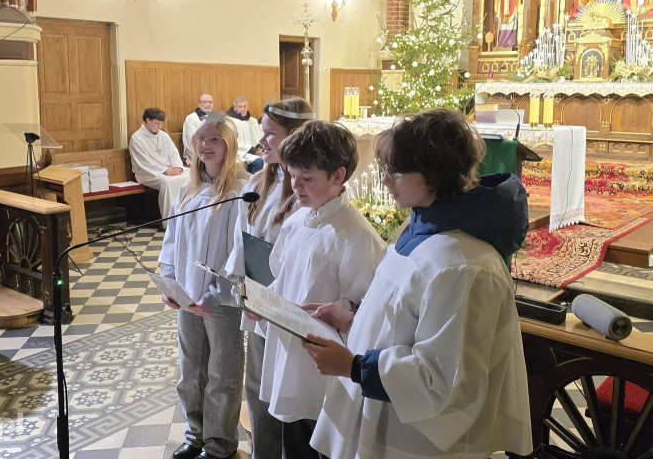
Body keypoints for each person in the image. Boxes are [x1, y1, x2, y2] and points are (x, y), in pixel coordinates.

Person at [302, 109, 533, 459]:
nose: (384, 182)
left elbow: (447, 378)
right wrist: (353, 322)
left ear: (434, 171)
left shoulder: (463, 263)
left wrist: (353, 367)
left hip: (415, 441)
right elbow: (408, 321)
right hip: (381, 414)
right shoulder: (421, 230)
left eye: (394, 171)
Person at [260, 120, 386, 459]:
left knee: (323, 441)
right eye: (291, 175)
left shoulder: (355, 234)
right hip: (291, 350)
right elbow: (281, 275)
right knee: (295, 438)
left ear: (337, 175)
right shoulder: (297, 219)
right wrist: (261, 303)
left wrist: (342, 309)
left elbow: (367, 306)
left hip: (326, 364)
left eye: (307, 177)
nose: (296, 186)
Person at [222, 97, 315, 459]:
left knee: (292, 398)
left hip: (291, 311)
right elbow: (241, 238)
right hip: (259, 305)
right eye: (262, 133)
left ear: (295, 137)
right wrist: (242, 284)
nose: (264, 142)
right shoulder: (261, 178)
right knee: (259, 392)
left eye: (271, 135)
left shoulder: (308, 191)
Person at [159, 112, 249, 459]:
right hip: (187, 297)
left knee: (222, 373)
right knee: (190, 371)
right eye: (201, 140)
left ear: (229, 144)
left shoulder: (241, 191)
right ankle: (194, 435)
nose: (206, 146)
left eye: (214, 139)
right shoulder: (187, 189)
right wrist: (170, 284)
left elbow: (239, 252)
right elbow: (171, 241)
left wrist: (213, 293)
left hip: (219, 300)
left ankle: (219, 444)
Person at [129, 107, 190, 219]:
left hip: (168, 169)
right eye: (157, 123)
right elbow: (143, 162)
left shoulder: (163, 135)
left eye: (161, 123)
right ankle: (171, 219)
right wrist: (165, 171)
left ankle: (187, 215)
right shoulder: (136, 138)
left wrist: (178, 167)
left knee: (190, 175)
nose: (160, 127)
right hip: (147, 173)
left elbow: (174, 154)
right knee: (166, 182)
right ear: (147, 120)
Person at [226, 96, 265, 173]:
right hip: (238, 153)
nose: (242, 109)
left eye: (244, 106)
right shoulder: (230, 121)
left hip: (253, 152)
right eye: (240, 107)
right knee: (258, 161)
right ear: (234, 108)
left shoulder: (252, 120)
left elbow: (258, 137)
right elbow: (233, 141)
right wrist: (253, 150)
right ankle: (254, 184)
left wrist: (259, 147)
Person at [182, 93, 214, 166]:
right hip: (198, 157)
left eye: (210, 102)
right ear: (199, 104)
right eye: (204, 102)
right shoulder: (191, 119)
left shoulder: (216, 118)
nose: (208, 104)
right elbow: (191, 142)